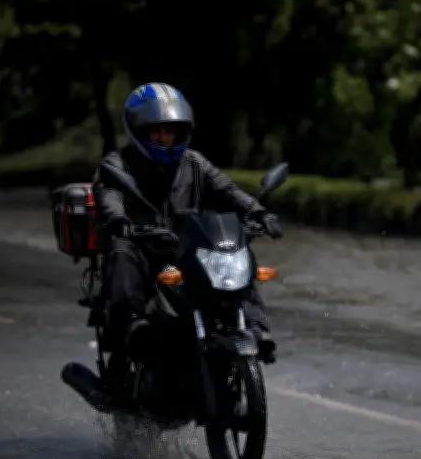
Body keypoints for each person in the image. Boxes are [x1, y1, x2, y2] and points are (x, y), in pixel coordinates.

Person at [92, 82, 282, 377]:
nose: (165, 138)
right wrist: (118, 220)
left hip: (184, 250)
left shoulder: (194, 163)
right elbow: (109, 195)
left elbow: (227, 190)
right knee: (121, 252)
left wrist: (258, 211)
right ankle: (132, 327)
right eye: (157, 131)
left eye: (171, 131)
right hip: (144, 249)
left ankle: (255, 327)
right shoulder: (117, 165)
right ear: (139, 131)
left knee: (235, 257)